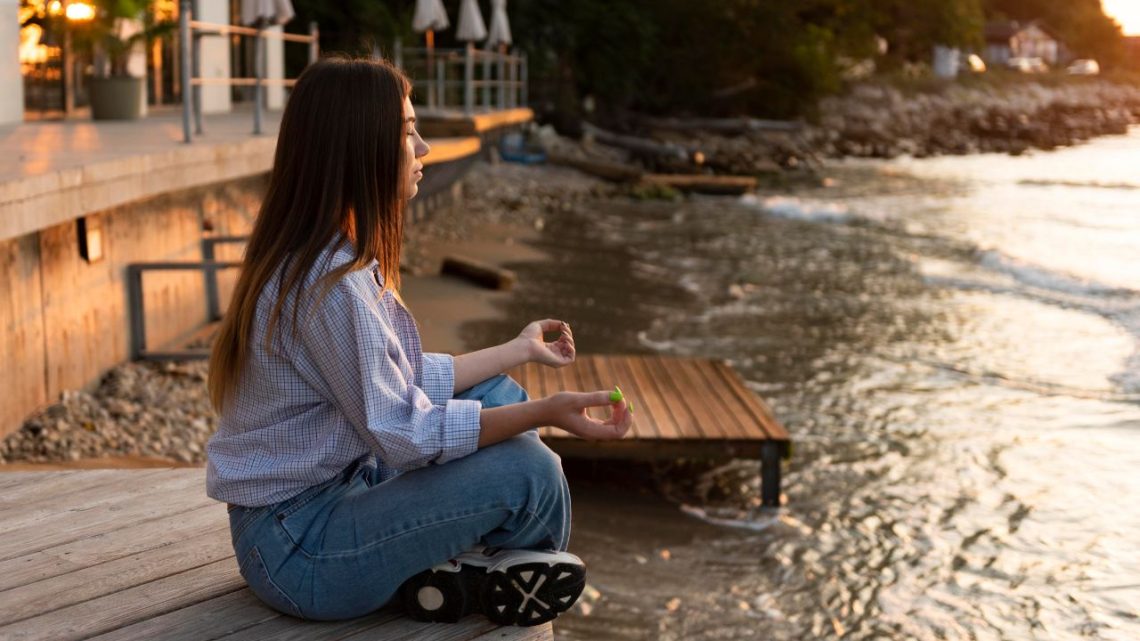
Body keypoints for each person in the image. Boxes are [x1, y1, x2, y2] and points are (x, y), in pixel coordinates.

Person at [204, 55, 633, 628]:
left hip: (333, 497)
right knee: (531, 473)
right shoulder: (328, 286)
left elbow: (401, 381)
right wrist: (551, 411)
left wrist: (518, 349)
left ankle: (480, 569)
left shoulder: (329, 257)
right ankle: (506, 572)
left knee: (497, 391)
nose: (425, 149)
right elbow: (405, 432)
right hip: (299, 552)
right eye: (409, 133)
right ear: (362, 149)